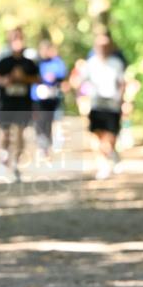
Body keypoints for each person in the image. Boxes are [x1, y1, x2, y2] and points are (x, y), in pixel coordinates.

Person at [70, 31, 126, 179]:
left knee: (111, 135)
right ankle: (103, 164)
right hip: (96, 103)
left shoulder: (117, 63)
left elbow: (122, 83)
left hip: (112, 104)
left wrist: (121, 99)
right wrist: (80, 99)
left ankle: (111, 153)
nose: (103, 48)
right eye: (100, 46)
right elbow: (79, 82)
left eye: (106, 46)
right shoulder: (90, 64)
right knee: (97, 135)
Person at [0, 27, 39, 180]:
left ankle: (16, 164)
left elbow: (37, 78)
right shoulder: (3, 61)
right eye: (14, 38)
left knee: (20, 134)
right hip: (6, 103)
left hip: (23, 103)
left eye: (20, 38)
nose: (18, 41)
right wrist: (4, 80)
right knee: (5, 133)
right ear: (10, 41)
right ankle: (4, 159)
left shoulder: (29, 63)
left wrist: (24, 78)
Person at [31, 38, 67, 162]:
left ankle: (46, 147)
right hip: (37, 98)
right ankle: (42, 147)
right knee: (39, 123)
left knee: (49, 122)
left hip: (52, 98)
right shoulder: (35, 62)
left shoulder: (57, 62)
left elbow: (62, 74)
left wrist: (54, 77)